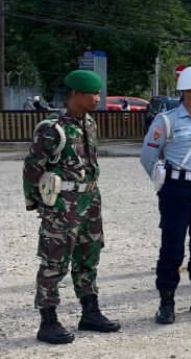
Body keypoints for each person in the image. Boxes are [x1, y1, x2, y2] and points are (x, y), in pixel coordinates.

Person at [23, 70, 121, 344]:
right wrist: (39, 205)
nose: (97, 98)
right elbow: (32, 168)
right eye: (92, 94)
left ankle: (90, 311)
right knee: (54, 261)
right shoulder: (52, 128)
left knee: (88, 257)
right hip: (62, 205)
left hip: (89, 201)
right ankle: (48, 320)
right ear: (75, 95)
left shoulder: (89, 123)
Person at [140, 66, 191, 324]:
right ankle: (166, 302)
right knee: (173, 246)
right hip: (177, 188)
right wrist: (163, 184)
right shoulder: (166, 121)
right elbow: (148, 157)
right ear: (188, 91)